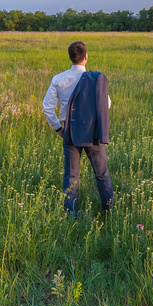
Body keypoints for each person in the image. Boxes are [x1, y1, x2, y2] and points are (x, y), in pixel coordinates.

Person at [42, 41, 113, 218]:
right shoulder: (95, 79)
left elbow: (47, 107)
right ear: (86, 56)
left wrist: (58, 128)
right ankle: (110, 212)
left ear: (70, 58)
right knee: (102, 174)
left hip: (70, 131)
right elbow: (107, 104)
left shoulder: (58, 79)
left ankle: (71, 216)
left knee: (71, 176)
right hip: (93, 131)